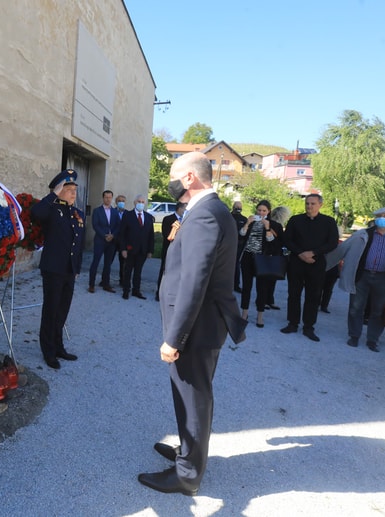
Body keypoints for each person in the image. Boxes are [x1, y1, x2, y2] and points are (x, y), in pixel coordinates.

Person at [138, 152, 246, 496]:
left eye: (173, 175)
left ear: (189, 178)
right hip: (202, 324)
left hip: (196, 328)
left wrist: (175, 337)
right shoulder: (209, 210)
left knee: (194, 398)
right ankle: (189, 453)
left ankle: (187, 474)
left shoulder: (205, 216)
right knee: (191, 395)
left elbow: (194, 281)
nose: (169, 182)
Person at [325, 207, 385, 352]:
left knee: (378, 310)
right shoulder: (363, 234)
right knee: (355, 307)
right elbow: (342, 249)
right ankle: (354, 336)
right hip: (362, 275)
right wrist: (323, 265)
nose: (382, 217)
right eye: (379, 215)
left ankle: (373, 339)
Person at [31, 169, 85, 369]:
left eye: (74, 190)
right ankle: (48, 351)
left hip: (69, 271)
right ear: (59, 190)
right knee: (51, 310)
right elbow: (36, 213)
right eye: (68, 189)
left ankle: (59, 346)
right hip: (53, 269)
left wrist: (77, 267)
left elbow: (78, 245)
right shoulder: (52, 210)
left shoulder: (77, 214)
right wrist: (53, 194)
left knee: (62, 311)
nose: (73, 193)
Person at [280, 194, 339, 342]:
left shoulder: (328, 222)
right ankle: (292, 323)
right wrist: (300, 253)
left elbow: (332, 243)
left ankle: (309, 327)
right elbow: (287, 239)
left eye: (313, 204)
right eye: (307, 203)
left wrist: (313, 253)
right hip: (296, 262)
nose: (309, 206)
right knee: (293, 294)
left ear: (320, 205)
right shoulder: (295, 220)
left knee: (313, 296)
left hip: (316, 263)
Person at [238, 200, 284, 328]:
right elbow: (241, 236)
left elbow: (275, 244)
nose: (261, 213)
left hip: (263, 260)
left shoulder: (274, 225)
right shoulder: (251, 222)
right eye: (259, 210)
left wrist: (268, 228)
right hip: (248, 257)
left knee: (262, 288)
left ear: (269, 211)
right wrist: (247, 223)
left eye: (264, 211)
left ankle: (260, 316)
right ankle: (244, 313)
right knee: (246, 287)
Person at [118, 194, 155, 299]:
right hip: (130, 249)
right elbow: (122, 234)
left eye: (143, 202)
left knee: (138, 272)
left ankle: (136, 290)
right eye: (139, 202)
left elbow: (151, 235)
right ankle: (126, 290)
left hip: (142, 250)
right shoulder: (128, 215)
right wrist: (123, 249)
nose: (141, 204)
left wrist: (150, 250)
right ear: (135, 203)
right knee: (128, 271)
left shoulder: (148, 217)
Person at [88, 190, 120, 293]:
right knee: (95, 262)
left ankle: (106, 284)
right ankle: (91, 285)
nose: (108, 199)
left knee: (108, 264)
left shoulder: (115, 212)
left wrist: (113, 235)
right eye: (106, 197)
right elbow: (95, 225)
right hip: (100, 240)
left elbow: (118, 226)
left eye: (110, 197)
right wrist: (104, 235)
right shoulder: (97, 211)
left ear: (112, 198)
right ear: (103, 198)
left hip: (111, 242)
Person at [156, 202, 186, 301]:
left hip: (181, 251)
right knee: (164, 271)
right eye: (185, 209)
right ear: (180, 208)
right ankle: (159, 293)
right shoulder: (168, 219)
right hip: (169, 249)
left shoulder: (186, 220)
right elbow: (166, 235)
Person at [266, 206, 291, 310]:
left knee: (268, 279)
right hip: (273, 254)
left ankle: (268, 300)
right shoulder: (277, 226)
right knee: (269, 280)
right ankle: (266, 300)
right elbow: (281, 242)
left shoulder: (269, 223)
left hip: (269, 254)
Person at [231, 201, 248, 292]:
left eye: (239, 207)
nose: (238, 208)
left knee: (236, 265)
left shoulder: (244, 219)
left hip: (239, 245)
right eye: (236, 206)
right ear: (233, 207)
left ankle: (236, 285)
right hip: (228, 244)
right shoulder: (228, 217)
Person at [114, 194, 128, 286]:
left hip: (123, 241)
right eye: (119, 201)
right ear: (116, 202)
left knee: (123, 262)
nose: (121, 202)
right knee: (108, 261)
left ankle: (122, 280)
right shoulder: (112, 211)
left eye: (123, 201)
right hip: (113, 240)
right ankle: (105, 280)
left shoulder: (128, 213)